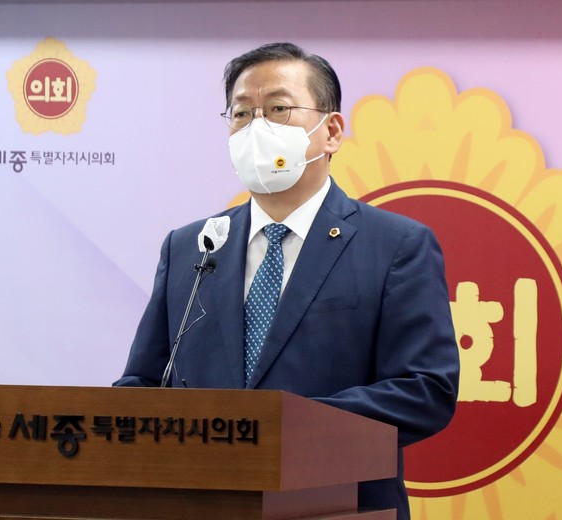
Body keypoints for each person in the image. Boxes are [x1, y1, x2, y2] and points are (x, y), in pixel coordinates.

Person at [114, 42, 459, 519]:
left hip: (337, 505)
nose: (256, 127)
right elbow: (143, 382)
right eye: (241, 113)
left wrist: (278, 430)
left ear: (331, 131)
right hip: (203, 504)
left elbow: (424, 390)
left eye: (278, 109)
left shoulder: (396, 245)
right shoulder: (191, 246)